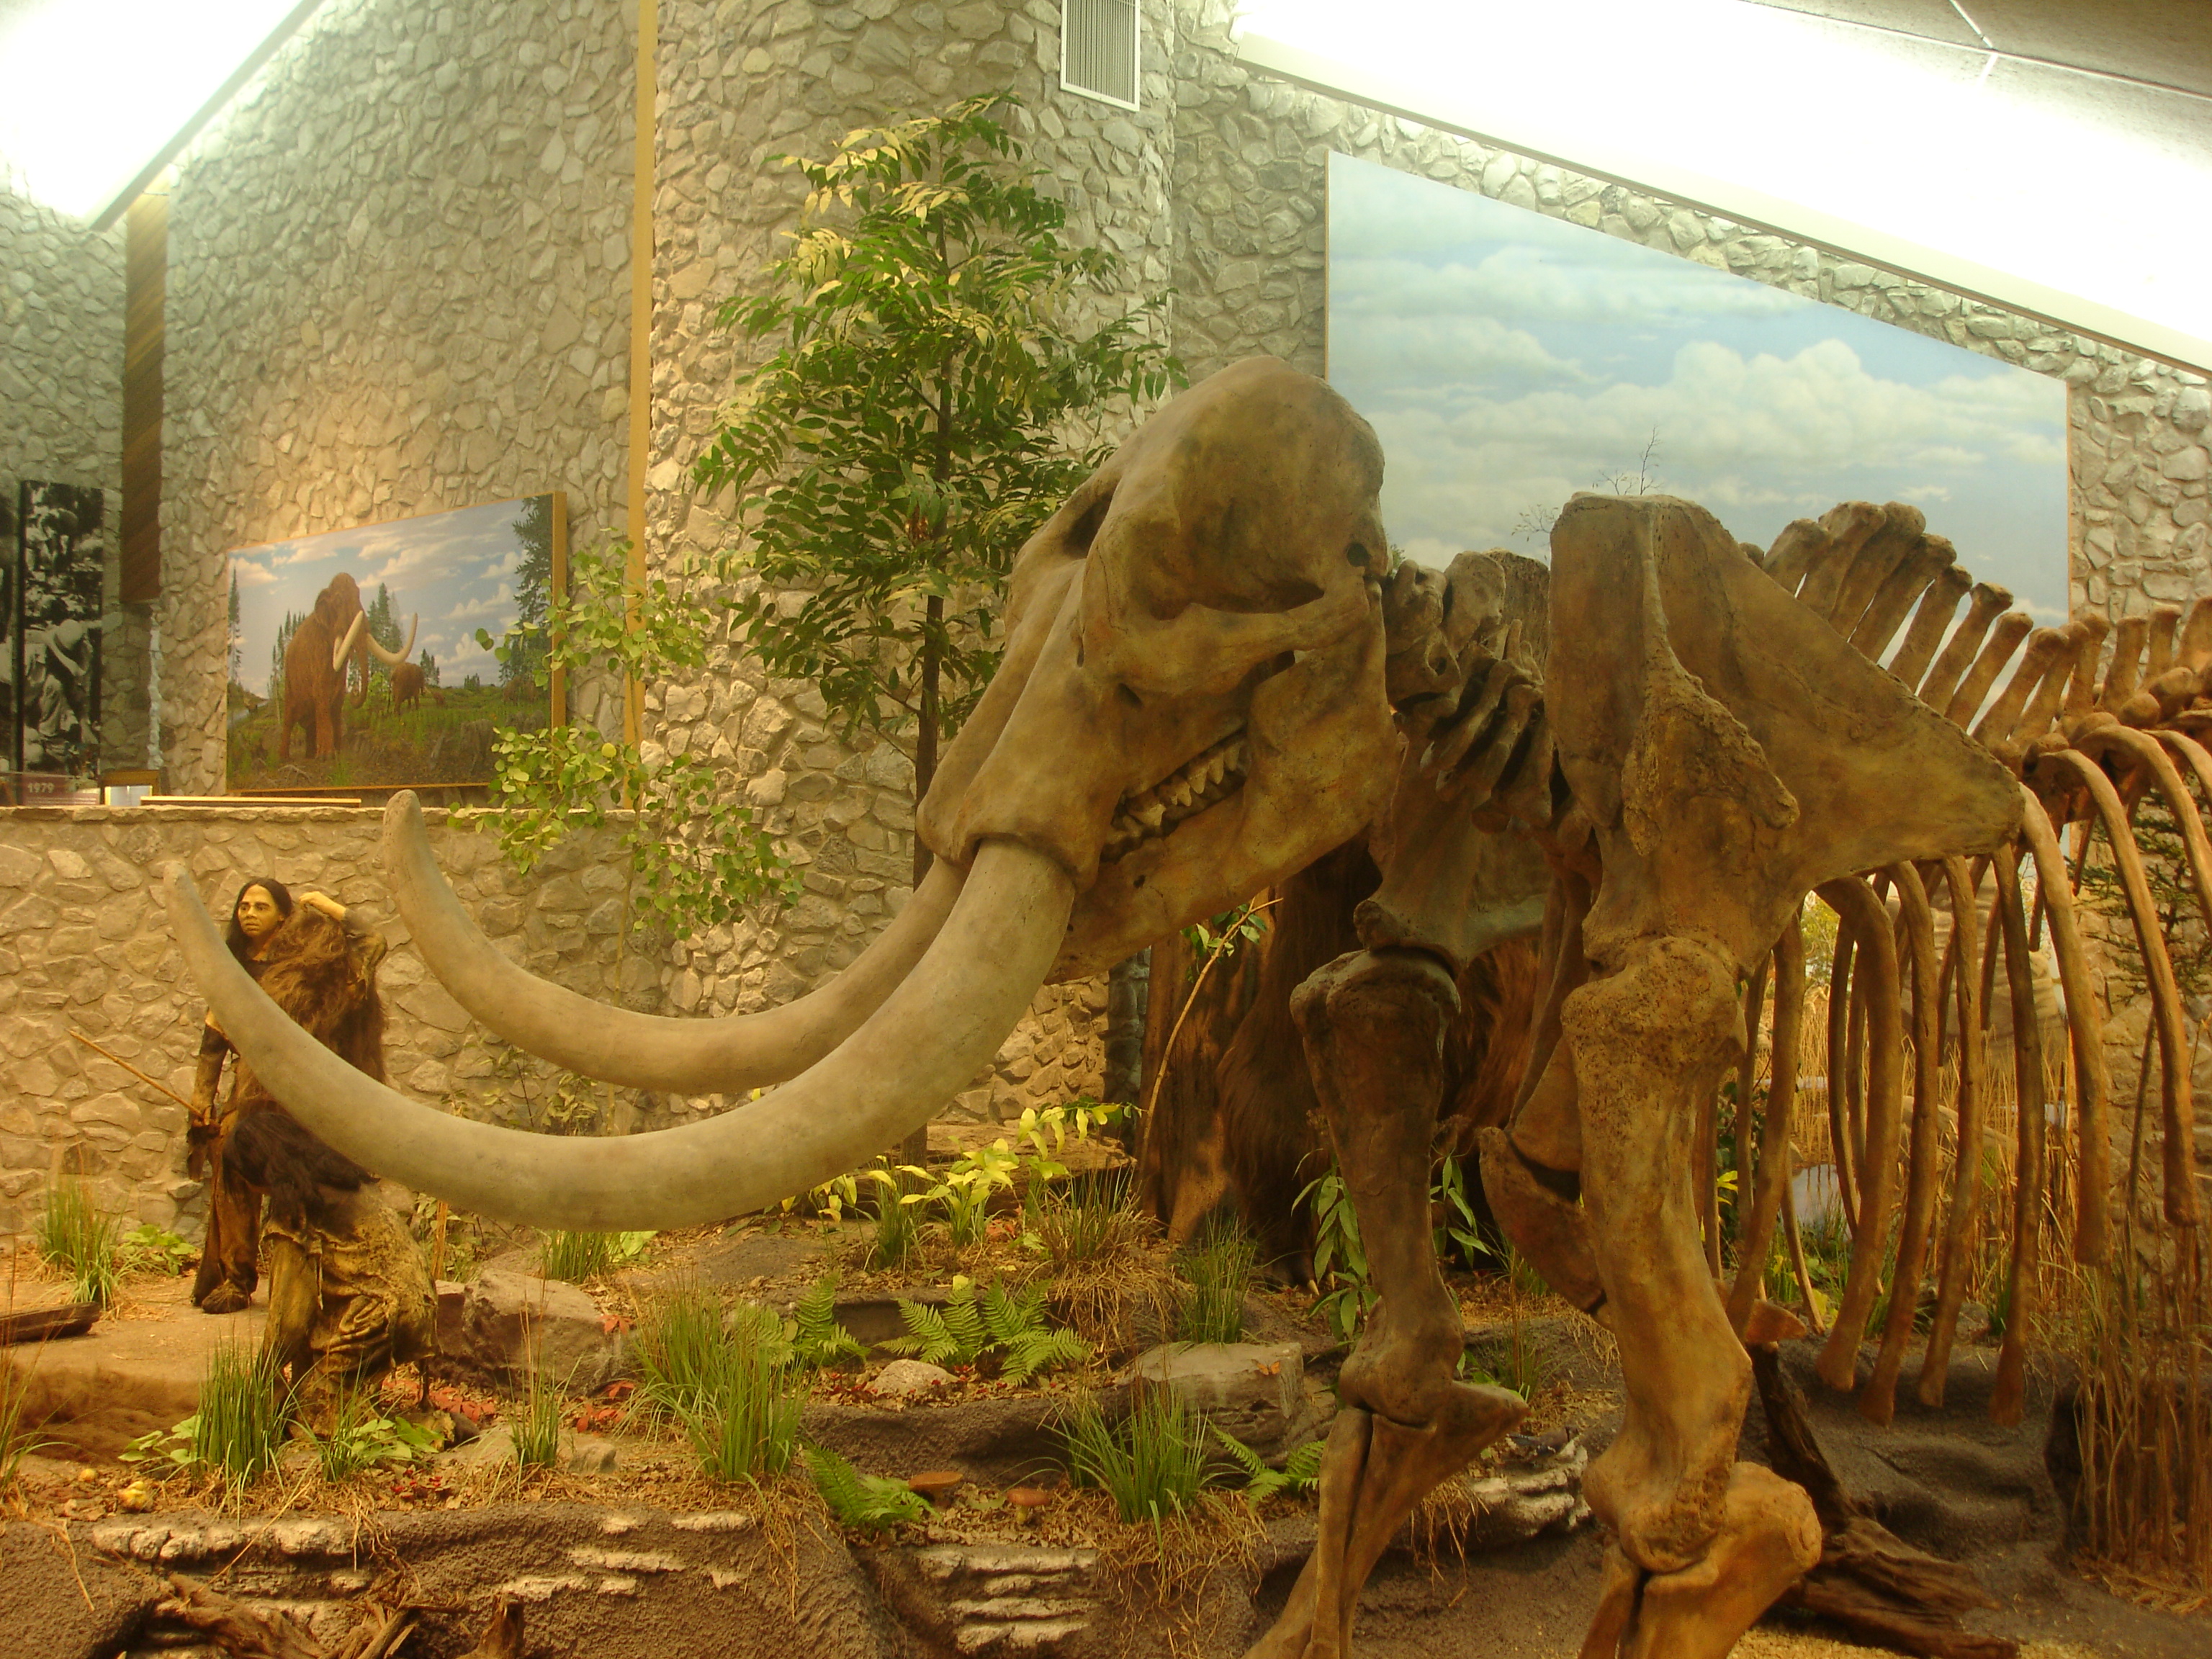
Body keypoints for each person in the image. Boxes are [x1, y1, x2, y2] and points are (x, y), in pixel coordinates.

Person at [187, 877, 390, 1313]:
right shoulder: (233, 969)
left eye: (261, 906)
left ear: (283, 915)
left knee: (303, 1176)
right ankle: (237, 1279)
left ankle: (311, 1279)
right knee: (227, 1150)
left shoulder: (312, 963)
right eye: (244, 905)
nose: (249, 913)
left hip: (305, 1097)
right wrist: (203, 1095)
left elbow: (372, 941)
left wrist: (324, 904)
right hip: (252, 1090)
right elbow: (214, 1038)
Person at [220, 1110, 436, 1431]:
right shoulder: (340, 1177)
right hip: (418, 1303)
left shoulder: (294, 1210)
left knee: (313, 1428)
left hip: (374, 1318)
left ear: (253, 1169)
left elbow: (291, 1319)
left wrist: (263, 1378)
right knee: (317, 1389)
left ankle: (433, 1429)